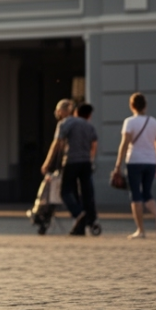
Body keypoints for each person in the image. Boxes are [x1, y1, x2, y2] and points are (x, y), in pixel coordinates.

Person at [43, 100, 98, 236]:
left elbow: (56, 144)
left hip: (71, 162)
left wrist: (47, 163)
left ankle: (78, 214)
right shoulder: (87, 125)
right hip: (86, 163)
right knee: (86, 192)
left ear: (63, 111)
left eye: (58, 110)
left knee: (66, 191)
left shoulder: (65, 124)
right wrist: (90, 159)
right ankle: (87, 222)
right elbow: (94, 144)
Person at [114, 93, 156, 239]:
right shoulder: (154, 122)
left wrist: (118, 165)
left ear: (132, 106)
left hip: (134, 161)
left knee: (135, 194)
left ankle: (140, 230)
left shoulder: (129, 122)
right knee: (147, 192)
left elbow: (124, 144)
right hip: (151, 162)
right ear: (145, 106)